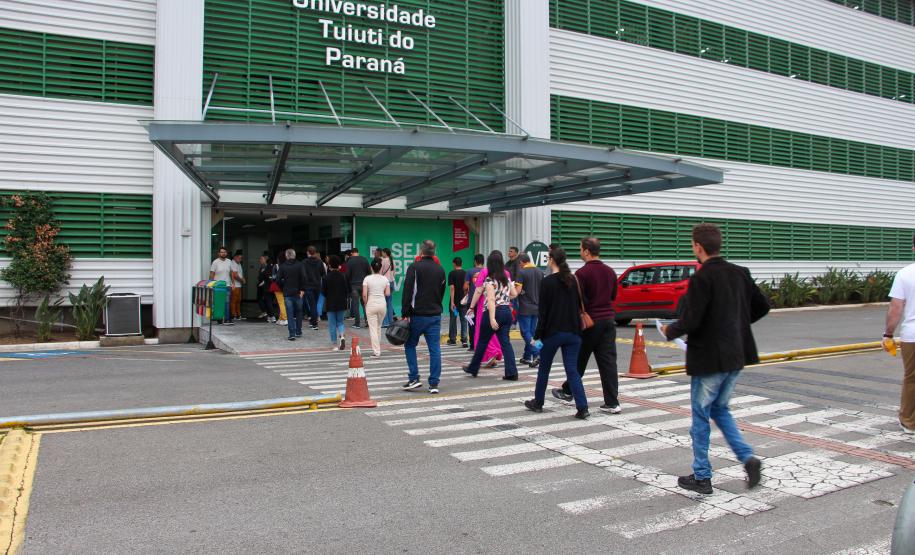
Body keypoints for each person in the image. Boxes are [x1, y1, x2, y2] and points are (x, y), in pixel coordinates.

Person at [662, 223, 769, 495]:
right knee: (720, 410)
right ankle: (748, 458)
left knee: (700, 417)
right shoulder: (739, 273)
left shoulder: (702, 277)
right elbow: (762, 306)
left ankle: (702, 476)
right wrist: (737, 324)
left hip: (709, 357)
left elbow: (692, 319)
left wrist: (669, 330)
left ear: (698, 246)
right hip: (736, 355)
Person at [553, 237, 621, 413]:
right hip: (608, 321)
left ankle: (568, 390)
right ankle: (612, 402)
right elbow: (613, 295)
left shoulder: (582, 274)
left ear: (587, 251)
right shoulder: (610, 272)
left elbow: (578, 300)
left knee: (579, 358)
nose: (579, 252)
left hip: (590, 321)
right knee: (608, 362)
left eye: (580, 249)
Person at [523, 247, 589, 419]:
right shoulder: (574, 280)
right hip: (574, 333)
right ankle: (582, 407)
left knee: (544, 369)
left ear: (551, 259)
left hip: (553, 333)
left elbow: (542, 313)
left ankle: (538, 402)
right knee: (572, 371)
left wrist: (537, 335)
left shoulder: (547, 282)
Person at [462, 251, 519, 380]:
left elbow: (490, 299)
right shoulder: (506, 276)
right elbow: (514, 293)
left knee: (482, 341)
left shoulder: (489, 279)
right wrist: (504, 297)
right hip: (506, 312)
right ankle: (512, 373)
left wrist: (473, 308)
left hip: (493, 313)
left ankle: (473, 368)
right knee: (506, 343)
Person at [401, 240, 446, 394]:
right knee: (435, 349)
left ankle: (414, 378)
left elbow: (408, 290)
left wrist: (405, 312)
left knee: (409, 345)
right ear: (434, 252)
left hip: (417, 315)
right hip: (434, 314)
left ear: (421, 251)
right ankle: (434, 383)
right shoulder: (440, 270)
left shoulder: (414, 267)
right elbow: (441, 292)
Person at [882, 233, 915, 434]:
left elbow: (896, 308)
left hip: (913, 335)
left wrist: (888, 334)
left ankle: (909, 420)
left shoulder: (905, 274)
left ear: (913, 248)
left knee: (912, 377)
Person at [470, 260, 506, 367]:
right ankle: (494, 355)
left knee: (482, 331)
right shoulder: (505, 272)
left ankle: (491, 354)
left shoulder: (485, 271)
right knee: (496, 332)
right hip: (501, 305)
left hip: (485, 304)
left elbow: (478, 290)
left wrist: (472, 306)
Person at [515, 253, 543, 366]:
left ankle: (538, 353)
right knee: (531, 333)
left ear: (522, 262)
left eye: (519, 263)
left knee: (525, 332)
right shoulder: (539, 272)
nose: (519, 265)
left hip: (524, 307)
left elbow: (517, 291)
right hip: (537, 307)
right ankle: (527, 356)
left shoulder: (521, 272)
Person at [363, 257, 391, 357]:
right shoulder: (385, 279)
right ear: (380, 268)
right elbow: (387, 294)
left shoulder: (367, 278)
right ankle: (377, 348)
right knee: (378, 327)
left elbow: (364, 294)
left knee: (373, 329)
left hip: (371, 304)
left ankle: (376, 351)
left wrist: (366, 304)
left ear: (371, 267)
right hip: (382, 304)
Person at [276, 248, 306, 341]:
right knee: (299, 312)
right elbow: (304, 278)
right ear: (294, 255)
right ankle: (299, 331)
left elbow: (278, 280)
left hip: (287, 293)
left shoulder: (283, 266)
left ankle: (292, 334)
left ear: (286, 256)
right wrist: (302, 289)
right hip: (298, 293)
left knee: (290, 313)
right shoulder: (300, 265)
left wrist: (283, 288)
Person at [322, 255, 349, 350]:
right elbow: (347, 291)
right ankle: (342, 335)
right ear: (339, 265)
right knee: (340, 322)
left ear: (329, 265)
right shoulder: (343, 276)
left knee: (332, 324)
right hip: (341, 302)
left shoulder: (326, 278)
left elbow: (324, 292)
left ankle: (334, 345)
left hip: (331, 303)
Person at [344, 247, 371, 329]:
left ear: (351, 253)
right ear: (358, 252)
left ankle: (357, 323)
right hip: (364, 285)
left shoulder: (349, 261)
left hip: (354, 286)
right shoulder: (364, 259)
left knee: (355, 304)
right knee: (365, 304)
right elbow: (369, 272)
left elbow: (347, 275)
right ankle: (368, 322)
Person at [464, 254, 484, 351]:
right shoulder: (486, 271)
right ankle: (481, 344)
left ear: (475, 261)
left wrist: (466, 291)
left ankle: (472, 345)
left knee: (471, 323)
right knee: (481, 323)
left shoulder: (469, 271)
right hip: (483, 303)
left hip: (471, 302)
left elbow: (465, 286)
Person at [303, 246, 326, 331]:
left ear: (308, 252)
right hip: (317, 286)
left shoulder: (304, 262)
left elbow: (302, 274)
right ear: (315, 252)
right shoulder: (319, 262)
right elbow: (323, 275)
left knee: (312, 305)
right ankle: (313, 322)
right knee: (315, 304)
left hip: (308, 286)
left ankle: (314, 323)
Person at [209, 246, 234, 325]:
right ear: (219, 253)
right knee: (219, 303)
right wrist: (211, 284)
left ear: (226, 253)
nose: (223, 253)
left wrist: (233, 283)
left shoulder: (229, 261)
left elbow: (231, 273)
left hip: (227, 285)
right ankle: (219, 319)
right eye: (222, 252)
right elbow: (212, 274)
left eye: (225, 252)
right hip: (218, 286)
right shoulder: (215, 262)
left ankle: (227, 319)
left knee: (227, 302)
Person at [447, 257, 468, 347]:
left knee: (453, 320)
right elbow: (467, 288)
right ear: (461, 264)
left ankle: (452, 339)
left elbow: (452, 288)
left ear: (454, 264)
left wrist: (452, 302)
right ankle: (464, 340)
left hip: (455, 303)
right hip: (463, 302)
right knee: (464, 320)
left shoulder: (451, 273)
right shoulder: (465, 273)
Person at [256, 255, 276, 322]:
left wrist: (262, 282)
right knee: (266, 301)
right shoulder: (265, 267)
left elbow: (265, 277)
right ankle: (270, 316)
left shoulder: (268, 267)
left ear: (265, 260)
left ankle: (272, 316)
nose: (260, 260)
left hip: (267, 287)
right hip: (266, 287)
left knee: (268, 301)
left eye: (261, 259)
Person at [270, 252, 288, 326]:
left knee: (281, 303)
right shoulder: (287, 265)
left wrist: (272, 278)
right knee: (283, 302)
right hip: (286, 286)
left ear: (278, 259)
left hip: (278, 286)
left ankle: (284, 319)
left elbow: (274, 277)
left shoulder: (276, 266)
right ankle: (280, 318)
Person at [381, 247, 396, 326]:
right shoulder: (392, 260)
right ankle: (390, 321)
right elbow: (394, 273)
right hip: (392, 282)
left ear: (385, 253)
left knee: (384, 302)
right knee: (389, 302)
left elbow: (380, 272)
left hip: (384, 283)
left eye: (382, 252)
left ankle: (385, 322)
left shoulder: (383, 260)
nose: (382, 254)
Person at [229, 250, 246, 321]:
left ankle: (238, 314)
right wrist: (242, 280)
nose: (240, 259)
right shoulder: (233, 263)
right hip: (235, 285)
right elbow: (235, 275)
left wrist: (242, 279)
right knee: (234, 300)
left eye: (241, 258)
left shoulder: (238, 263)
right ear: (235, 257)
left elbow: (239, 274)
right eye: (239, 258)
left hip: (238, 285)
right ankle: (233, 315)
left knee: (238, 300)